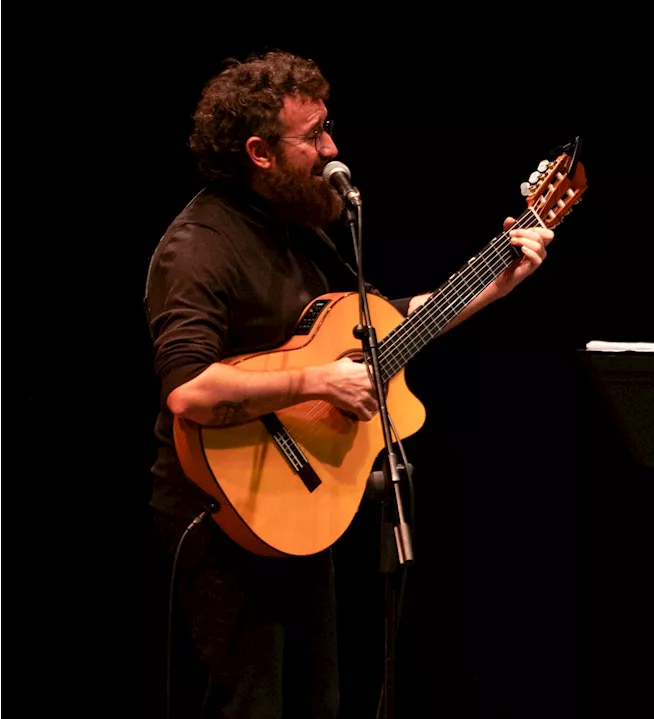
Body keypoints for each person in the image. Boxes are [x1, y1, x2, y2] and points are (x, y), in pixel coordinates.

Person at [144, 50, 553, 718]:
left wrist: (496, 279)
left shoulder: (296, 231)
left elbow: (376, 335)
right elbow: (187, 390)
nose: (333, 149)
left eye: (329, 128)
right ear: (260, 152)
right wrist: (319, 381)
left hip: (295, 508)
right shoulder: (198, 246)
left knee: (321, 705)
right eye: (314, 137)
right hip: (224, 519)